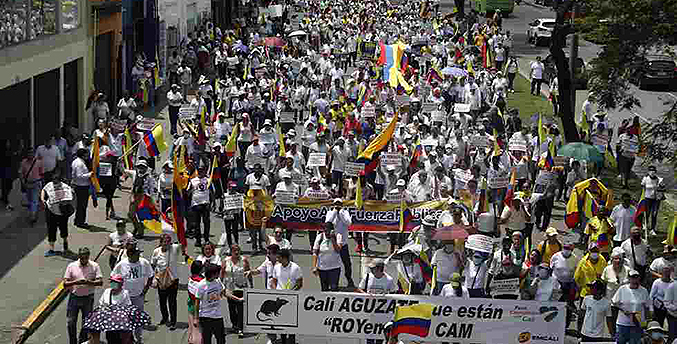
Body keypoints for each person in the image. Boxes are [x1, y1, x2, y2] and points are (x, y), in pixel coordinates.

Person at [112, 243, 153, 343]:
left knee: (138, 319)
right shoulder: (122, 264)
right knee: (126, 320)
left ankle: (138, 338)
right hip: (125, 298)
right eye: (136, 254)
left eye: (139, 253)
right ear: (130, 254)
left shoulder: (144, 262)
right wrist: (116, 292)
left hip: (139, 296)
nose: (139, 255)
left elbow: (151, 275)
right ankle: (129, 339)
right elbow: (113, 278)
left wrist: (145, 290)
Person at [63, 247, 103, 344]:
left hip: (88, 298)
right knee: (71, 322)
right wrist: (76, 282)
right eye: (82, 258)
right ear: (79, 256)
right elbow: (65, 283)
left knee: (86, 323)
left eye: (85, 258)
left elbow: (100, 282)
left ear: (88, 256)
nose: (83, 260)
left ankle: (82, 341)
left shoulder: (95, 266)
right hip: (74, 297)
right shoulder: (71, 266)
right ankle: (73, 341)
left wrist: (88, 282)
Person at [196, 263, 243, 344]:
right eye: (218, 272)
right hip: (205, 317)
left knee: (221, 339)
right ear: (212, 274)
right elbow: (196, 303)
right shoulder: (201, 285)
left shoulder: (217, 281)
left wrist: (238, 299)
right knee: (207, 340)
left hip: (217, 316)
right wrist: (196, 318)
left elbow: (225, 293)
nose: (219, 274)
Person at [151, 233, 184, 331]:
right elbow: (153, 265)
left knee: (172, 301)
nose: (166, 244)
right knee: (162, 300)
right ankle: (165, 318)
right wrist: (154, 278)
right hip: (161, 280)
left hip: (173, 279)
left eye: (168, 242)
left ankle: (173, 322)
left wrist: (179, 229)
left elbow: (182, 243)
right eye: (164, 242)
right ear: (160, 243)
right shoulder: (156, 252)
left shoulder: (174, 248)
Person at [612, 269, 652, 344]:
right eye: (632, 277)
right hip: (623, 323)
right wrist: (623, 310)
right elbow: (614, 302)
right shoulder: (622, 289)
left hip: (637, 324)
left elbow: (647, 306)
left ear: (639, 278)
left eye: (636, 277)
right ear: (629, 278)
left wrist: (646, 323)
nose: (634, 279)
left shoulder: (644, 291)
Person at [271, 249, 303, 344]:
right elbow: (274, 281)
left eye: (279, 257)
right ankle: (283, 341)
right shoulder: (276, 267)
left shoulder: (296, 268)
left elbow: (300, 284)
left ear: (284, 258)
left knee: (291, 324)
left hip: (291, 299)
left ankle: (292, 341)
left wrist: (290, 293)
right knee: (281, 323)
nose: (277, 259)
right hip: (280, 299)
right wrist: (275, 290)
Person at [41, 169, 74, 256]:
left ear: (60, 181)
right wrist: (43, 199)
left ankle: (65, 246)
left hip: (62, 213)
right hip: (51, 211)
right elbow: (43, 190)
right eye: (53, 181)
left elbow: (71, 196)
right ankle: (51, 249)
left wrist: (65, 201)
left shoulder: (66, 187)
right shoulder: (49, 185)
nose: (54, 183)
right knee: (51, 230)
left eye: (56, 182)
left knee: (63, 229)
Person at [94, 274, 133, 344]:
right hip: (109, 321)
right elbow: (101, 303)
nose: (113, 284)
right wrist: (105, 308)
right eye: (112, 282)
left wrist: (117, 309)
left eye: (115, 282)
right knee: (110, 338)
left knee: (119, 340)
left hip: (120, 322)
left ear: (121, 284)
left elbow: (128, 307)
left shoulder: (125, 293)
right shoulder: (107, 291)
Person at [221, 244, 251, 336]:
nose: (236, 252)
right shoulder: (226, 261)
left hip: (241, 288)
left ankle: (240, 328)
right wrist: (221, 287)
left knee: (240, 308)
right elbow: (221, 274)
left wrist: (251, 287)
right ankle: (234, 325)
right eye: (234, 251)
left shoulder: (244, 260)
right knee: (232, 308)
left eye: (238, 250)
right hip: (230, 288)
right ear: (231, 252)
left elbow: (248, 273)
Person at [325, 198, 356, 289]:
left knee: (347, 264)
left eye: (339, 204)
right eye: (336, 204)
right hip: (333, 243)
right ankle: (333, 283)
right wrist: (335, 211)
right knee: (333, 263)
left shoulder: (345, 212)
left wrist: (340, 213)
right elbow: (328, 222)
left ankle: (349, 279)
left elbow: (348, 223)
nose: (337, 206)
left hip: (343, 243)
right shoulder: (330, 212)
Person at [312, 222, 343, 291]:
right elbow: (315, 252)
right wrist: (314, 267)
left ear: (332, 230)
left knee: (334, 288)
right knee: (324, 289)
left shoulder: (338, 236)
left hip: (334, 268)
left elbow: (338, 250)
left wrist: (332, 239)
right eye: (325, 230)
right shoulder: (319, 237)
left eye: (328, 231)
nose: (326, 233)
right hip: (322, 268)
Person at [20, 147, 44, 225]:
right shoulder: (23, 162)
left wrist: (41, 183)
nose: (30, 154)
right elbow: (20, 173)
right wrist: (23, 182)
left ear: (34, 154)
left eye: (32, 153)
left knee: (34, 200)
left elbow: (41, 173)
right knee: (30, 200)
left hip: (36, 183)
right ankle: (33, 212)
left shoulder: (39, 162)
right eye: (29, 153)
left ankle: (32, 216)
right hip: (27, 184)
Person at [641, 166, 666, 236]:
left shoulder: (659, 180)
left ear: (655, 172)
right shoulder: (645, 179)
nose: (652, 172)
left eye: (653, 171)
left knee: (654, 214)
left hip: (656, 199)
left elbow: (664, 189)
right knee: (647, 213)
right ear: (648, 171)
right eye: (650, 171)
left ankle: (652, 229)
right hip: (647, 198)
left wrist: (659, 189)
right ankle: (645, 225)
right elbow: (642, 187)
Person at [186, 260, 204, 344]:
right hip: (199, 308)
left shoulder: (190, 279)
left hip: (191, 306)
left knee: (192, 328)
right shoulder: (201, 281)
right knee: (199, 331)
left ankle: (190, 340)